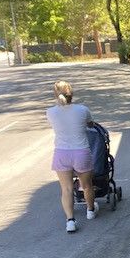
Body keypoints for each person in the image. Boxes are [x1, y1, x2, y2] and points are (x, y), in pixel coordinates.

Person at [46, 80, 99, 233]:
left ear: (55, 94)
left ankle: (70, 221)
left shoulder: (50, 112)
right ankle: (90, 210)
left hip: (61, 153)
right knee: (87, 185)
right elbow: (91, 124)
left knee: (66, 189)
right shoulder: (83, 110)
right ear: (72, 93)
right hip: (80, 152)